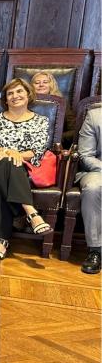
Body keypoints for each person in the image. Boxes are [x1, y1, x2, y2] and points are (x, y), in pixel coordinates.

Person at [0, 78, 52, 260]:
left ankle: (1, 241)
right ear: (6, 99)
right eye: (10, 93)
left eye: (19, 91)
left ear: (28, 95)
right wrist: (9, 152)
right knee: (8, 164)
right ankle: (30, 211)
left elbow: (37, 150)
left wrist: (13, 155)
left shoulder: (41, 121)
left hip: (22, 167)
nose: (15, 96)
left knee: (3, 180)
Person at [76, 107, 101, 273]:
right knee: (93, 188)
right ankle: (96, 250)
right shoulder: (95, 116)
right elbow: (85, 155)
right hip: (97, 170)